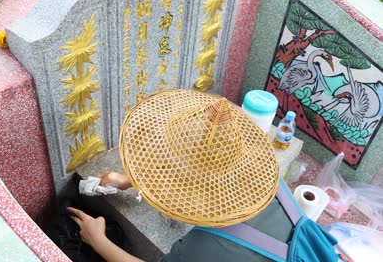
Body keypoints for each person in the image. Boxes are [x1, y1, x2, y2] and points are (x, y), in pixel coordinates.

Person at [68, 90, 338, 262]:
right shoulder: (268, 184)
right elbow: (200, 171)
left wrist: (98, 241)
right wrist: (131, 180)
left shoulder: (202, 250)